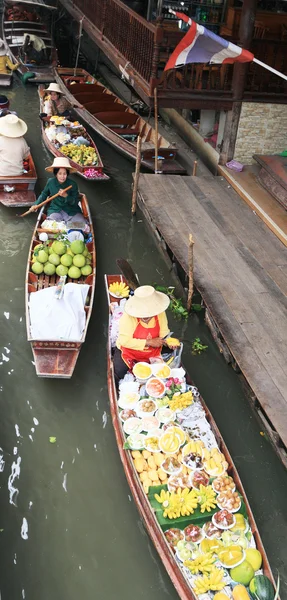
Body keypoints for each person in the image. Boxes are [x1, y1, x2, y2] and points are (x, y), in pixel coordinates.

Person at [114, 285, 171, 382]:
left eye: (149, 314)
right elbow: (124, 341)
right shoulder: (128, 318)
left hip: (153, 350)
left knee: (170, 358)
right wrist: (148, 342)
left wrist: (167, 341)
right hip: (130, 351)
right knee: (119, 372)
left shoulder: (160, 313)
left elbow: (164, 332)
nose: (146, 317)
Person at [29, 157, 87, 229]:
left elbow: (75, 202)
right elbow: (44, 194)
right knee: (48, 226)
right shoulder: (51, 182)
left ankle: (64, 226)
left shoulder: (73, 184)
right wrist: (35, 204)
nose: (62, 176)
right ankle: (67, 226)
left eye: (64, 174)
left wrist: (66, 196)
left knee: (83, 226)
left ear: (67, 174)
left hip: (71, 210)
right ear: (56, 174)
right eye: (60, 173)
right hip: (56, 209)